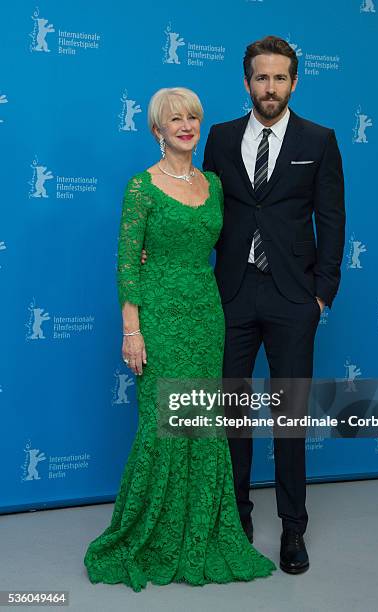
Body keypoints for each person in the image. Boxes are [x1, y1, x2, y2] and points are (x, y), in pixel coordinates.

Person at [83, 87, 276, 592]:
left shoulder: (213, 183)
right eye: (175, 119)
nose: (186, 125)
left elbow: (243, 235)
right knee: (164, 422)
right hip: (161, 317)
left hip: (206, 315)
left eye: (192, 117)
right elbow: (127, 264)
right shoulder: (140, 188)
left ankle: (202, 530)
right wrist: (133, 330)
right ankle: (149, 535)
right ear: (157, 130)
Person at [203, 35, 346, 574]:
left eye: (279, 78)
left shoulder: (321, 139)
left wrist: (321, 293)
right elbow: (206, 211)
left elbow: (332, 219)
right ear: (247, 82)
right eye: (261, 78)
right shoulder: (218, 138)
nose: (270, 87)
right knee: (231, 415)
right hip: (232, 295)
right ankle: (237, 517)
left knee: (289, 419)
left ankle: (292, 530)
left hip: (293, 299)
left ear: (294, 81)